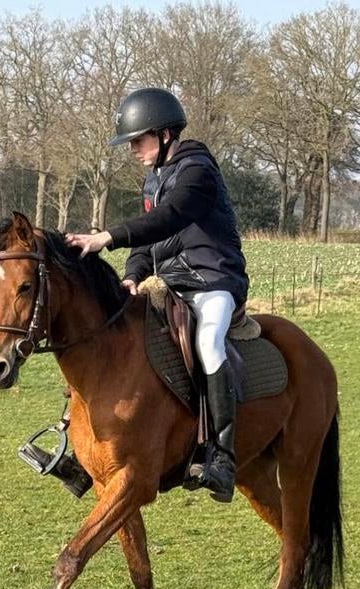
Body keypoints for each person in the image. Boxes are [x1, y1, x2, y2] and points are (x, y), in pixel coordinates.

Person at [66, 87, 249, 503]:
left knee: (208, 342)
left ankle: (221, 456)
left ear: (166, 134)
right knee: (112, 342)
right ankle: (77, 448)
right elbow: (150, 242)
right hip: (171, 283)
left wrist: (105, 238)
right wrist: (132, 276)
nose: (132, 148)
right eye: (130, 142)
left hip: (213, 280)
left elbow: (170, 217)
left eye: (138, 139)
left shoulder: (196, 171)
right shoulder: (155, 179)